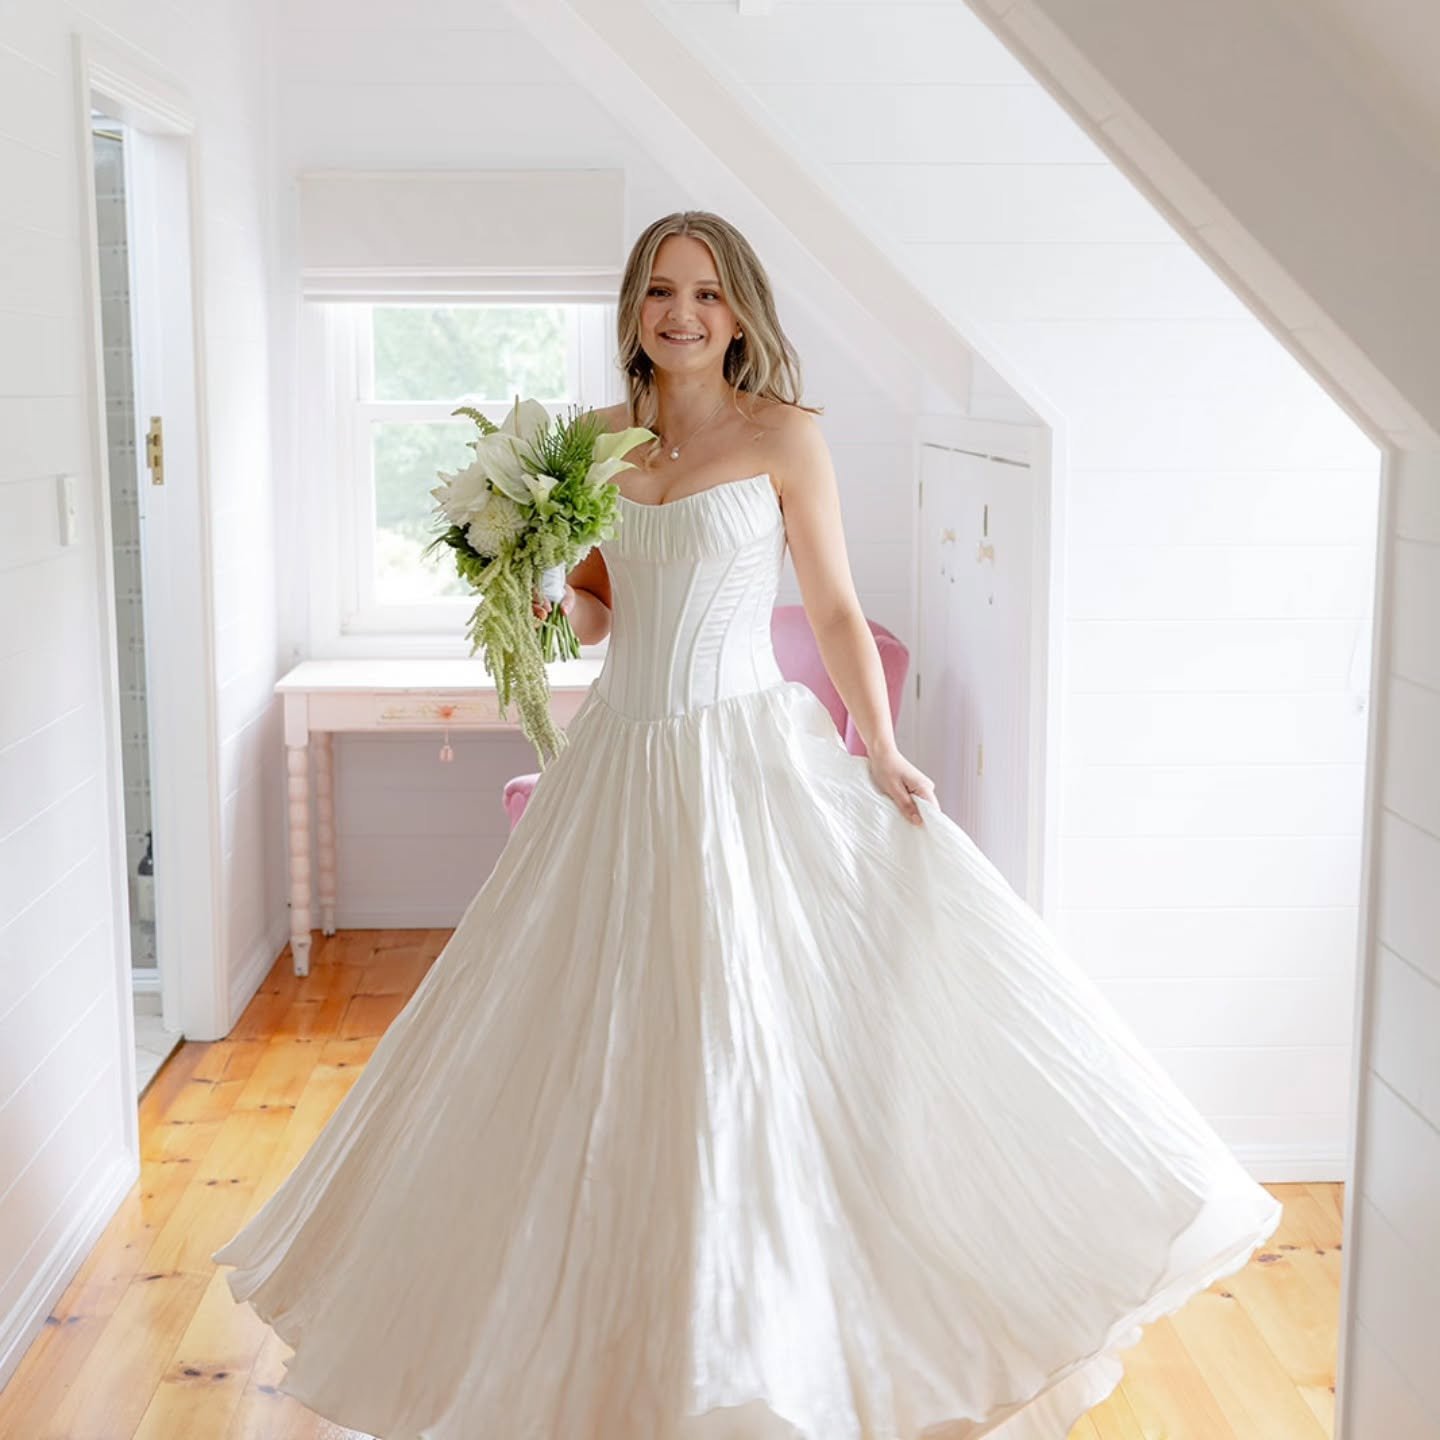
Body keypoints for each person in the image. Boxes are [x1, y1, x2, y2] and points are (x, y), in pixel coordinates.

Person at [212, 211, 1282, 1440]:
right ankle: (608, 1330)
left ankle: (757, 1334)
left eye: (707, 294)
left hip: (742, 755)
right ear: (633, 309)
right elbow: (600, 618)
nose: (682, 313)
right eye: (661, 291)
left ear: (739, 313)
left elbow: (833, 606)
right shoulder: (589, 441)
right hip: (616, 763)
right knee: (585, 1044)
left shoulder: (787, 435)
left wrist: (880, 746)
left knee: (739, 1041)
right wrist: (532, 569)